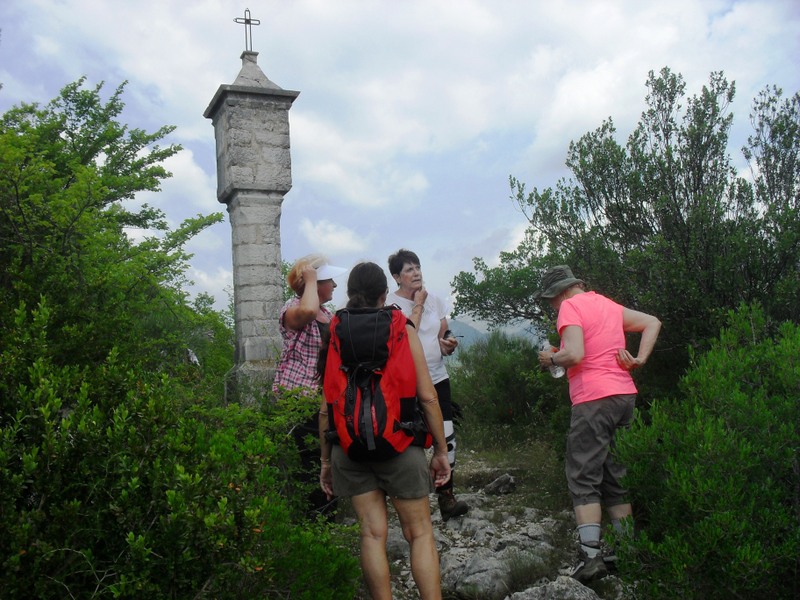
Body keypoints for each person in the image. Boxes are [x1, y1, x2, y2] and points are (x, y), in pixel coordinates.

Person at [318, 262, 451, 600]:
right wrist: (440, 451)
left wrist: (326, 461)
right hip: (400, 444)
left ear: (351, 293)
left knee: (372, 534)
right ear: (383, 294)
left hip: (349, 448)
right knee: (419, 532)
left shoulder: (336, 330)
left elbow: (327, 405)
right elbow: (428, 397)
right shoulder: (401, 327)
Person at [534, 265, 661, 583]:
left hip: (593, 399)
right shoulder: (607, 304)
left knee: (583, 475)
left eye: (551, 300)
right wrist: (640, 359)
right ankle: (625, 553)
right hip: (624, 396)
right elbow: (652, 322)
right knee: (616, 476)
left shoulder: (570, 307)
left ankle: (590, 557)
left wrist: (551, 358)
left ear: (561, 292)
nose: (553, 307)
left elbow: (576, 355)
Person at [386, 249, 469, 522]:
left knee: (447, 436)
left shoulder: (435, 300)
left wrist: (448, 344)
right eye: (409, 269)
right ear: (397, 277)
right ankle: (411, 500)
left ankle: (446, 497)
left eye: (418, 267)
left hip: (437, 376)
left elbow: (442, 335)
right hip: (406, 382)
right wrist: (418, 304)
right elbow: (403, 334)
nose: (416, 273)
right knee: (411, 440)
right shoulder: (391, 304)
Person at [273, 253, 347, 517]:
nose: (334, 285)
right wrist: (311, 278)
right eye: (329, 280)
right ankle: (314, 520)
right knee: (310, 458)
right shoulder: (293, 308)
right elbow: (307, 311)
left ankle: (328, 514)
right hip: (299, 397)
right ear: (314, 282)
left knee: (327, 455)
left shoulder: (327, 315)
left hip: (324, 398)